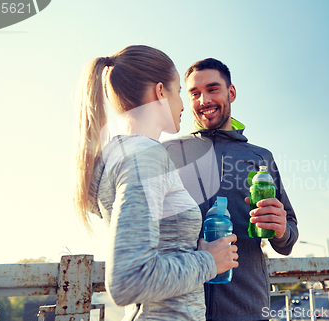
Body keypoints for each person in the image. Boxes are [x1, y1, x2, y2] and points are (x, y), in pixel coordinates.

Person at [73, 46, 238, 321]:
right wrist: (210, 261)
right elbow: (128, 280)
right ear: (160, 92)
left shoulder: (121, 153)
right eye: (178, 93)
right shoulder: (145, 156)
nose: (184, 105)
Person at [163, 58, 299, 321]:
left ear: (231, 93)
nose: (204, 100)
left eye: (213, 89)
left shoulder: (260, 157)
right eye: (194, 93)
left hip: (247, 310)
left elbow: (288, 238)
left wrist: (281, 229)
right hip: (180, 310)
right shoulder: (169, 153)